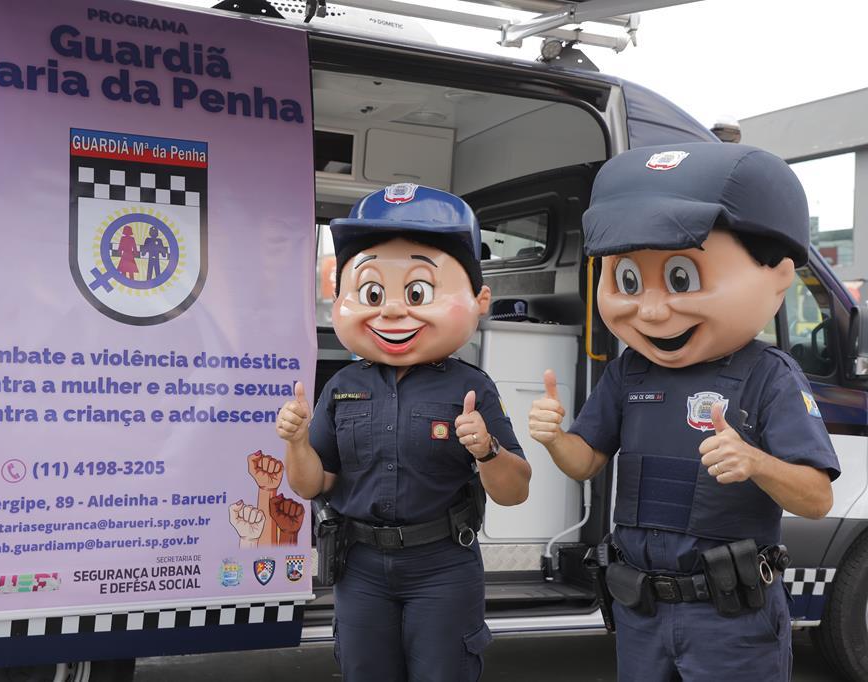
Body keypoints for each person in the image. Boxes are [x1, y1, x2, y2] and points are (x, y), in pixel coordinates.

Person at [528, 143, 841, 681]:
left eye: (680, 279)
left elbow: (816, 498)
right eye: (627, 280)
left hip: (730, 620)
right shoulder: (630, 370)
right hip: (641, 610)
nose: (651, 309)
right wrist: (556, 438)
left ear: (779, 274)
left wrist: (756, 463)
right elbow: (586, 463)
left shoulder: (770, 375)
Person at [275, 184, 531, 682]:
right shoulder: (342, 386)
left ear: (478, 300)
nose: (393, 310)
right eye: (374, 293)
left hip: (441, 567)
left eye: (417, 292)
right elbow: (312, 485)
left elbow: (516, 490)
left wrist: (487, 449)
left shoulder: (471, 386)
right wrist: (296, 442)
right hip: (361, 568)